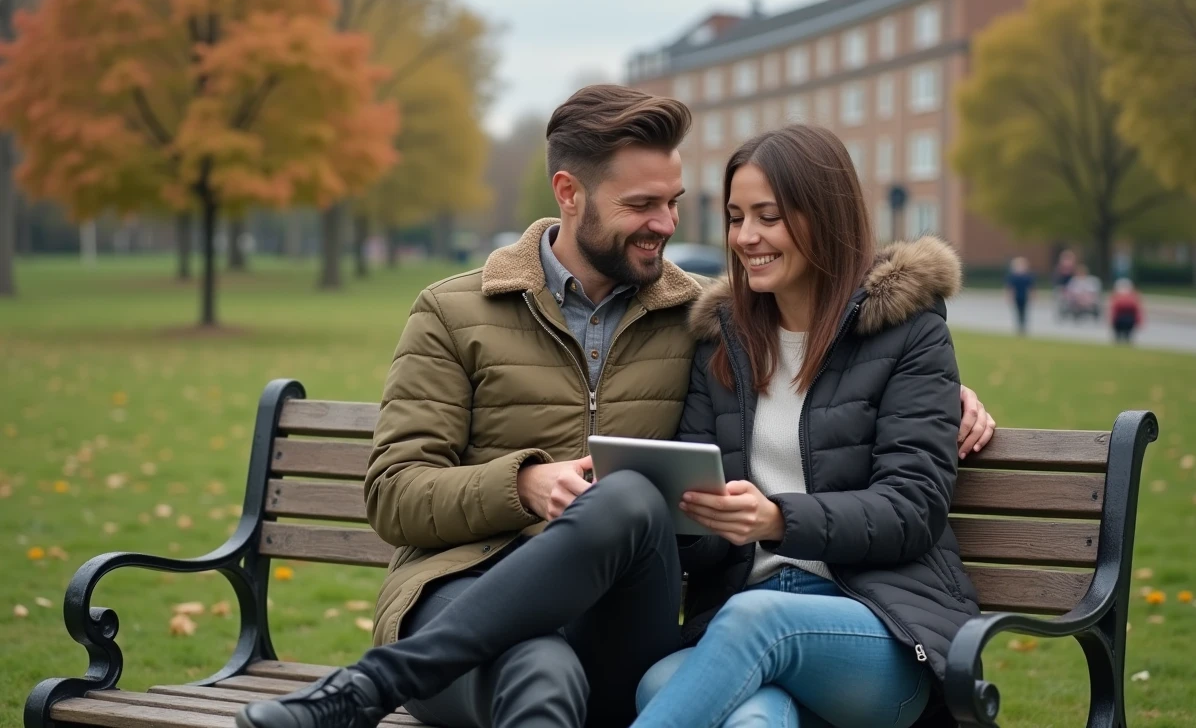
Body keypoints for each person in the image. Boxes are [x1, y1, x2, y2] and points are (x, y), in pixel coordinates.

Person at [237, 86, 995, 728]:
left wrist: (939, 394)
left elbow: (875, 426)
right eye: (644, 204)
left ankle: (367, 686)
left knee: (635, 504)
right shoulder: (457, 312)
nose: (670, 225)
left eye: (674, 203)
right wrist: (521, 484)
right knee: (555, 672)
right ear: (570, 194)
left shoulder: (701, 317)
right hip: (473, 595)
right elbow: (395, 492)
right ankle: (376, 684)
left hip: (696, 618)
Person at [632, 124, 980, 728]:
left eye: (768, 216)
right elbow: (701, 531)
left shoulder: (909, 335)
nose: (746, 237)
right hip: (751, 617)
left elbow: (912, 508)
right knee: (715, 702)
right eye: (736, 217)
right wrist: (672, 509)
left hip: (881, 627)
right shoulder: (722, 345)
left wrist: (777, 519)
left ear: (825, 215)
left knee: (749, 629)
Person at [1004, 256, 1035, 335]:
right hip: (1017, 297)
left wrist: (1032, 295)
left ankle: (1023, 326)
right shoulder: (1013, 276)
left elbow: (1031, 287)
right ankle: (1019, 326)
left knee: (1024, 311)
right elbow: (1010, 288)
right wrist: (1009, 297)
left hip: (1024, 297)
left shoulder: (1027, 276)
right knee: (1018, 311)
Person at [1109, 278, 1143, 343]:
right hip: (1123, 319)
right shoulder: (1133, 296)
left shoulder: (1118, 297)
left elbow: (1113, 310)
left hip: (1126, 319)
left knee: (1122, 336)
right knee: (1123, 336)